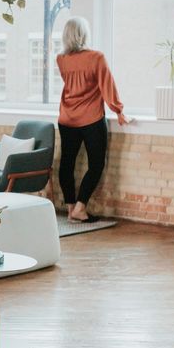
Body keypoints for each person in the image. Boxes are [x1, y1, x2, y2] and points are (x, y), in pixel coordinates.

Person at [56, 16, 130, 223]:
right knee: (96, 164)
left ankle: (70, 208)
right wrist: (119, 111)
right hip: (90, 119)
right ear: (84, 34)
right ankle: (80, 208)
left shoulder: (61, 59)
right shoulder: (96, 57)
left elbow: (72, 85)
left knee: (66, 164)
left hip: (66, 117)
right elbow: (108, 86)